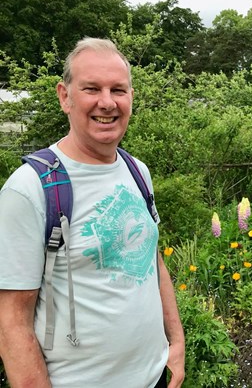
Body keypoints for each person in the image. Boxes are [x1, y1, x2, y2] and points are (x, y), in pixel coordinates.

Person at [0, 38, 185, 387]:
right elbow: (11, 322)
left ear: (131, 97)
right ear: (64, 96)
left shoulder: (136, 171)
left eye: (118, 89)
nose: (107, 102)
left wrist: (175, 344)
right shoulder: (29, 189)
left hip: (155, 377)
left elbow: (152, 259)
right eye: (91, 88)